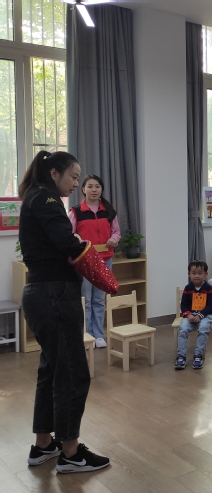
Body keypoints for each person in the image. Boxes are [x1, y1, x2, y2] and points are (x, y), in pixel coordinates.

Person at [19, 151, 110, 473]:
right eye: (73, 176)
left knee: (52, 370)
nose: (76, 183)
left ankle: (44, 444)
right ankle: (71, 453)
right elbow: (66, 241)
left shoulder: (36, 197)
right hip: (54, 294)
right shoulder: (46, 199)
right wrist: (95, 263)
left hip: (42, 293)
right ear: (54, 173)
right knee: (73, 372)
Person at [68, 175, 120, 349]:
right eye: (90, 186)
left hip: (105, 260)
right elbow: (69, 235)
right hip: (85, 262)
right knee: (86, 300)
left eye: (97, 186)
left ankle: (98, 335)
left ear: (102, 189)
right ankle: (86, 335)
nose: (94, 190)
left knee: (99, 299)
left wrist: (113, 239)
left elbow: (116, 232)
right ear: (83, 189)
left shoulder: (109, 210)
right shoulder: (76, 212)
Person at [175, 260, 212, 370]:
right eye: (193, 273)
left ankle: (198, 355)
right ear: (189, 274)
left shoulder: (209, 288)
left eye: (200, 273)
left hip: (204, 316)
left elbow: (210, 305)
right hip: (190, 316)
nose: (197, 276)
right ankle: (181, 356)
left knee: (203, 329)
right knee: (182, 329)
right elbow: (183, 305)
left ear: (206, 274)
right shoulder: (188, 288)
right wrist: (188, 315)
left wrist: (200, 315)